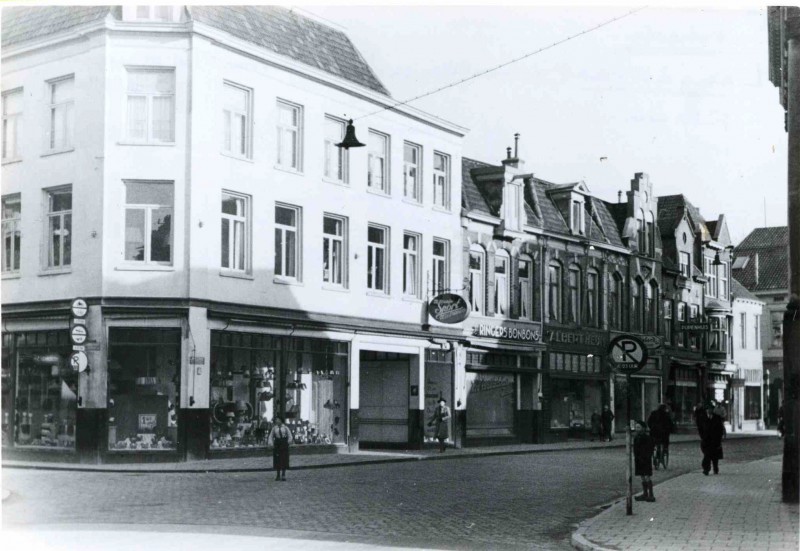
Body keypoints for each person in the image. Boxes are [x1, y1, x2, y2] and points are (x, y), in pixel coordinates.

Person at [698, 403, 726, 475]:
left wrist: (719, 439)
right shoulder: (703, 417)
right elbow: (700, 428)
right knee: (707, 455)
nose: (709, 410)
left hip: (715, 440)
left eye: (710, 409)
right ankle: (706, 469)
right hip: (706, 440)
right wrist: (702, 436)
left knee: (714, 456)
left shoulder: (717, 418)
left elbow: (720, 429)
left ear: (712, 410)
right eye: (708, 409)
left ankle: (715, 467)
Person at [633, 421, 656, 502]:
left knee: (647, 476)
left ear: (643, 428)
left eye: (638, 427)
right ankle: (645, 493)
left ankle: (651, 494)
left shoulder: (647, 438)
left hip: (645, 460)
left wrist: (646, 457)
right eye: (636, 427)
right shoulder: (636, 437)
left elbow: (650, 449)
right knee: (642, 476)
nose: (637, 429)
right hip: (638, 460)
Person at [647, 404, 674, 470]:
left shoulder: (653, 414)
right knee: (665, 442)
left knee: (653, 444)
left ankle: (653, 455)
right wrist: (671, 430)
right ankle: (664, 450)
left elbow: (649, 422)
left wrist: (651, 428)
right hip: (663, 434)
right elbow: (670, 424)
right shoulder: (666, 415)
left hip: (654, 433)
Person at [267, 417, 292, 481]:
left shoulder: (285, 428)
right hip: (277, 444)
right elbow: (271, 436)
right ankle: (278, 475)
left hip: (284, 443)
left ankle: (283, 474)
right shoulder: (274, 428)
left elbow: (289, 435)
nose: (277, 421)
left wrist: (288, 442)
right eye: (276, 420)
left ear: (281, 420)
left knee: (284, 458)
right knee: (277, 459)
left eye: (278, 419)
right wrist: (271, 443)